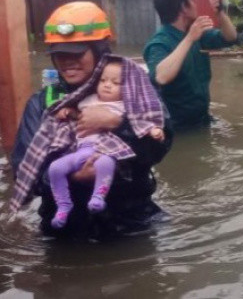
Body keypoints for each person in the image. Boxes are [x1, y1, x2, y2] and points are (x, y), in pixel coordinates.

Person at [10, 1, 173, 239]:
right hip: (67, 230)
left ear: (100, 50)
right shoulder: (43, 104)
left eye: (76, 53)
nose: (67, 62)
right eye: (59, 55)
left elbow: (159, 148)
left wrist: (118, 124)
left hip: (130, 223)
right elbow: (24, 170)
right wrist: (71, 176)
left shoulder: (136, 90)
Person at [45, 60, 165, 229]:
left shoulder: (129, 107)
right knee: (55, 168)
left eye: (116, 83)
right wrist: (67, 112)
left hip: (105, 152)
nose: (107, 85)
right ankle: (63, 205)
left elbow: (144, 126)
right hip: (82, 150)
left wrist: (149, 130)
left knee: (105, 163)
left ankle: (98, 197)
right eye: (103, 81)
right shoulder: (87, 99)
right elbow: (76, 113)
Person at [143, 0, 238, 129]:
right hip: (176, 128)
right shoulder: (159, 43)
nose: (195, 4)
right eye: (192, 0)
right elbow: (161, 77)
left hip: (201, 119)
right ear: (183, 8)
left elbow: (230, 37)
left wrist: (219, 12)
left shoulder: (195, 34)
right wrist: (189, 39)